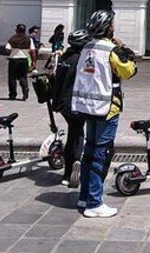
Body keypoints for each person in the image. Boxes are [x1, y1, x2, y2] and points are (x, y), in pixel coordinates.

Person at [72, 10, 137, 218]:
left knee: (89, 152)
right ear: (109, 27)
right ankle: (94, 203)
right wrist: (123, 48)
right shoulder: (110, 50)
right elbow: (129, 71)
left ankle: (84, 197)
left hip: (88, 107)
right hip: (108, 109)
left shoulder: (87, 47)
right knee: (101, 153)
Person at [50, 28, 90, 188]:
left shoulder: (64, 57)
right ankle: (75, 162)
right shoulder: (81, 60)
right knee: (77, 134)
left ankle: (69, 170)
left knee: (73, 133)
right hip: (74, 103)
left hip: (61, 103)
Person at [5, 24, 35, 100]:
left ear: (17, 30)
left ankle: (12, 94)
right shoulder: (29, 39)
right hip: (24, 60)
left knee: (12, 77)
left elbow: (7, 49)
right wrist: (33, 61)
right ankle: (25, 88)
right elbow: (33, 51)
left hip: (13, 60)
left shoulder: (12, 38)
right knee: (23, 76)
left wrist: (12, 51)